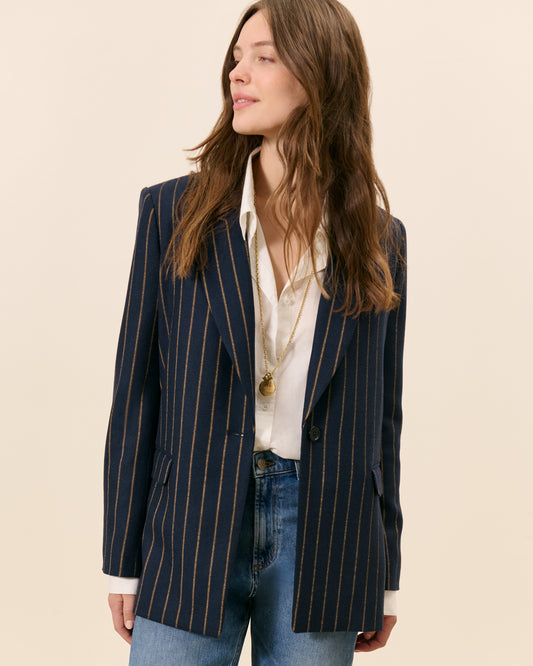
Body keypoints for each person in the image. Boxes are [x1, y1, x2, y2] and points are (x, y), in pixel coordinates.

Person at [103, 0, 407, 663]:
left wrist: (383, 573)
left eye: (263, 57)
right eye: (236, 57)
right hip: (192, 522)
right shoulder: (171, 213)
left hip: (325, 535)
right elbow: (137, 395)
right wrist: (122, 560)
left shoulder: (379, 239)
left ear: (319, 74)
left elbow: (381, 419)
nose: (237, 73)